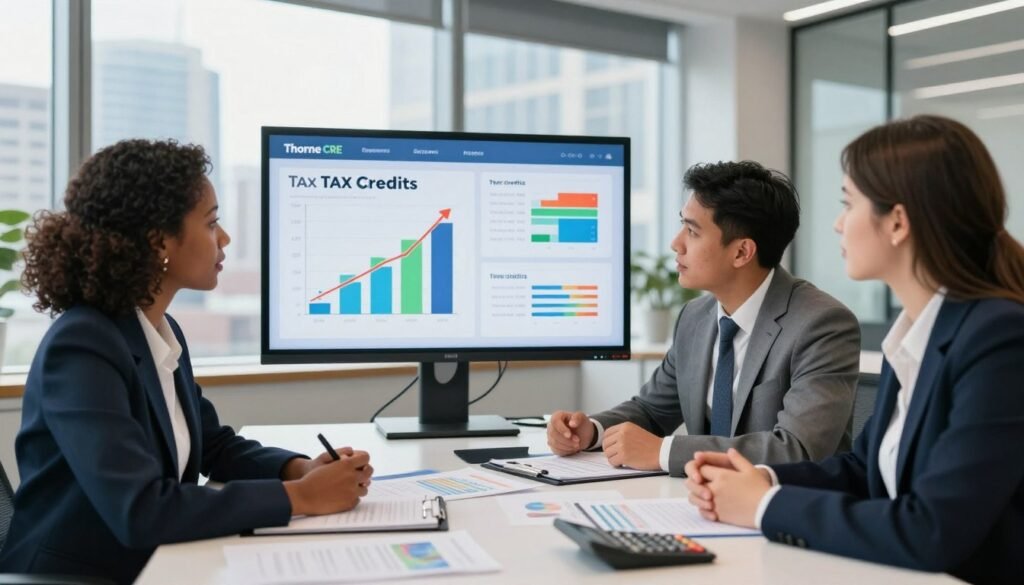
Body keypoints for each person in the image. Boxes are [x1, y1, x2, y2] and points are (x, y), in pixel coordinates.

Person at [0, 139, 374, 585]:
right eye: (211, 223)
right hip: (75, 579)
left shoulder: (158, 330)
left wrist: (299, 469)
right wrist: (299, 497)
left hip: (150, 564)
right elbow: (141, 510)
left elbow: (214, 446)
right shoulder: (82, 346)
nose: (225, 238)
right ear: (159, 240)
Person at [685, 115, 1024, 585]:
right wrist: (761, 478)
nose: (838, 223)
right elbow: (864, 470)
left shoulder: (999, 338)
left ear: (897, 222)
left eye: (848, 203)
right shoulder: (915, 335)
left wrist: (764, 505)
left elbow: (932, 529)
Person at [548, 161, 860, 475]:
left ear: (741, 252)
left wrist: (664, 451)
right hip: (699, 497)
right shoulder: (694, 317)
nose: (676, 243)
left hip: (783, 501)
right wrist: (592, 431)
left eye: (692, 231)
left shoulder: (821, 325)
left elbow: (797, 449)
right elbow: (652, 410)